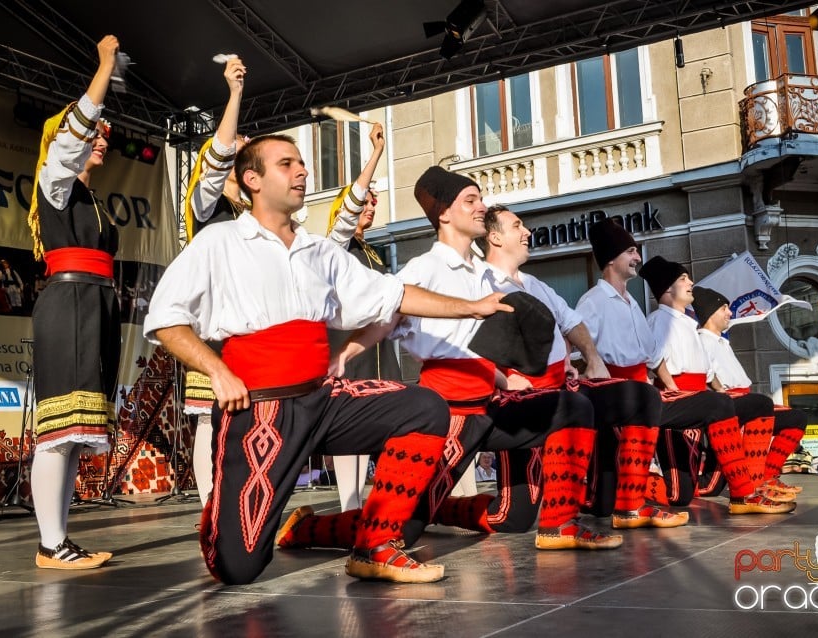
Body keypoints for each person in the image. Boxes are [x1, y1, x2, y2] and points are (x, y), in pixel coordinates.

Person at [143, 134, 511, 585]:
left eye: (302, 162)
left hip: (323, 398)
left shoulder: (322, 252)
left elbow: (392, 295)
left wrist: (471, 307)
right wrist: (217, 371)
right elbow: (166, 319)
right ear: (252, 179)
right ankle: (230, 514)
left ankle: (375, 544)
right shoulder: (219, 242)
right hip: (261, 409)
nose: (302, 171)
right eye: (287, 164)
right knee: (237, 567)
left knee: (424, 408)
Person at [277, 166, 613, 554]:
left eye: (481, 200)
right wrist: (345, 354)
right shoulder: (425, 268)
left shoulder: (485, 274)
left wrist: (508, 379)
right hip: (447, 416)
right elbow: (386, 319)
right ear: (444, 214)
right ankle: (304, 530)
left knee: (572, 410)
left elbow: (477, 343)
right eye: (471, 200)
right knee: (404, 529)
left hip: (490, 406)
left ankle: (560, 525)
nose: (481, 207)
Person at [479, 205, 686, 529]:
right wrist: (504, 381)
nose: (528, 232)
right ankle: (447, 510)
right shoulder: (478, 282)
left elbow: (571, 323)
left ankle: (629, 507)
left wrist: (590, 358)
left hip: (560, 387)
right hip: (518, 395)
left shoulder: (536, 284)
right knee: (513, 517)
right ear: (494, 236)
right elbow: (462, 344)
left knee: (643, 397)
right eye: (518, 225)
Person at [26, 35, 121, 570]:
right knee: (58, 431)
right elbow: (68, 139)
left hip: (93, 306)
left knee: (75, 433)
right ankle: (49, 542)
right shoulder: (56, 183)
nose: (99, 138)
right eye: (92, 132)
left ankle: (57, 540)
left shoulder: (90, 201)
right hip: (68, 307)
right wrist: (105, 67)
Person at [639, 256, 795, 513]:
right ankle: (628, 486)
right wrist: (670, 387)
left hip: (702, 400)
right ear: (667, 289)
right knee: (679, 495)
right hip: (679, 401)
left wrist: (726, 398)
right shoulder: (659, 320)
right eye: (683, 279)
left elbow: (709, 373)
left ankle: (750, 488)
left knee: (758, 404)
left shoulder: (689, 325)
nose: (690, 282)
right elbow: (652, 357)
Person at [325, 121, 404, 511]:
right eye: (366, 202)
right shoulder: (335, 248)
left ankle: (379, 505)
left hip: (380, 352)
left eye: (375, 202)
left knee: (384, 426)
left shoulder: (373, 254)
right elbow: (349, 208)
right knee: (350, 427)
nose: (371, 206)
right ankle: (349, 507)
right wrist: (375, 154)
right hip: (349, 352)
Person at [180, 55, 247, 507]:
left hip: (242, 321)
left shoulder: (245, 213)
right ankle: (209, 502)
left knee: (237, 414)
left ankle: (235, 494)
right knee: (208, 414)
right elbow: (219, 159)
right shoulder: (207, 201)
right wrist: (234, 94)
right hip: (213, 321)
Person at [691, 286, 805, 498]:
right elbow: (704, 376)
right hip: (727, 407)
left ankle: (766, 477)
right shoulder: (702, 341)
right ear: (710, 312)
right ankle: (753, 487)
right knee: (710, 486)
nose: (730, 312)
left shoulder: (722, 342)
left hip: (744, 402)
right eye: (724, 308)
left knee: (796, 418)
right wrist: (719, 389)